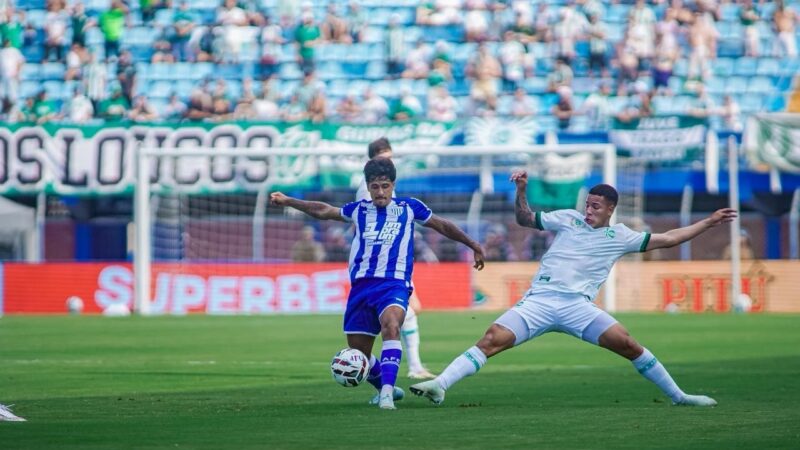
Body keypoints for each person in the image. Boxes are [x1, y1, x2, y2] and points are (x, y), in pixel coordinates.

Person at [411, 170, 737, 407]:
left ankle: (679, 396)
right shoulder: (567, 218)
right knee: (491, 339)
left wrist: (707, 222)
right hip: (539, 301)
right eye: (588, 205)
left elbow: (670, 239)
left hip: (577, 307)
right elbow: (524, 219)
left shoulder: (621, 236)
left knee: (628, 344)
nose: (589, 211)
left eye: (596, 207)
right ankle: (440, 384)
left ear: (610, 209)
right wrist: (521, 190)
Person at [270, 158, 485, 410]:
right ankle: (389, 388)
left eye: (385, 186)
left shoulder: (409, 207)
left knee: (391, 325)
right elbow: (323, 210)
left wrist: (473, 244)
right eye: (375, 187)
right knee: (359, 352)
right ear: (368, 187)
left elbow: (443, 225)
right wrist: (288, 201)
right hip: (361, 287)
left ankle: (384, 395)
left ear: (393, 185)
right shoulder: (358, 210)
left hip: (393, 284)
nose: (380, 192)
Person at [356, 138, 436, 381]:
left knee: (411, 312)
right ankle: (408, 369)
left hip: (396, 262)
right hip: (381, 266)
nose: (389, 161)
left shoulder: (387, 186)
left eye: (391, 157)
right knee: (402, 316)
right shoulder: (368, 189)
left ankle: (410, 368)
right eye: (384, 158)